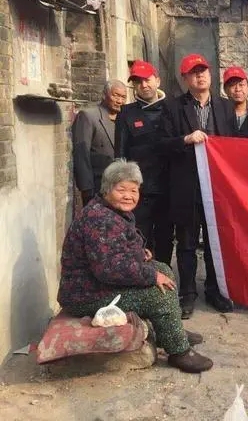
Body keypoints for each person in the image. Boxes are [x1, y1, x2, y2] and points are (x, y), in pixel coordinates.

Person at [56, 159, 213, 373]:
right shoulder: (99, 219)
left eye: (134, 190)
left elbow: (116, 248)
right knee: (158, 294)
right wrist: (151, 276)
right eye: (121, 190)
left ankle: (171, 330)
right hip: (86, 294)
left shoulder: (111, 211)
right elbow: (109, 269)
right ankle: (179, 351)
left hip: (97, 285)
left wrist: (139, 253)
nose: (128, 196)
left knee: (163, 270)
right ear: (107, 189)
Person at [160, 53, 234, 319]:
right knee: (187, 243)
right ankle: (188, 293)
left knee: (216, 241)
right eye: (193, 72)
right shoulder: (172, 107)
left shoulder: (225, 107)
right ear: (184, 78)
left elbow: (235, 144)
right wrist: (185, 139)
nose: (200, 76)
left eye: (203, 71)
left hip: (218, 187)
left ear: (210, 75)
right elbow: (162, 144)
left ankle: (215, 290)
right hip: (187, 185)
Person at [115, 61, 174, 265]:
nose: (144, 85)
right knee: (139, 237)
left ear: (157, 80)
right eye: (138, 82)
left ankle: (165, 274)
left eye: (147, 80)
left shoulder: (172, 109)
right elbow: (120, 155)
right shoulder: (126, 113)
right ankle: (141, 277)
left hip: (168, 187)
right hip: (140, 190)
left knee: (166, 237)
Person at [72, 80, 127, 206]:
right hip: (98, 187)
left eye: (123, 97)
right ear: (104, 95)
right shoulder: (88, 116)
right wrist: (86, 189)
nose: (119, 101)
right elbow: (81, 154)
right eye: (116, 95)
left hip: (121, 187)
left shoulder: (125, 118)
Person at [222, 66, 248, 137]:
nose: (238, 89)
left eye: (241, 85)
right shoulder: (218, 115)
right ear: (225, 90)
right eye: (232, 85)